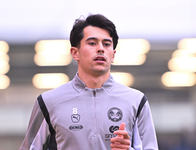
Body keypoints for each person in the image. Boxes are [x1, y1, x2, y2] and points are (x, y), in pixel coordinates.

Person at [19, 14, 158, 150]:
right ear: (75, 53)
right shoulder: (48, 102)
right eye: (92, 43)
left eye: (107, 44)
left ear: (113, 55)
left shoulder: (136, 101)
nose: (100, 49)